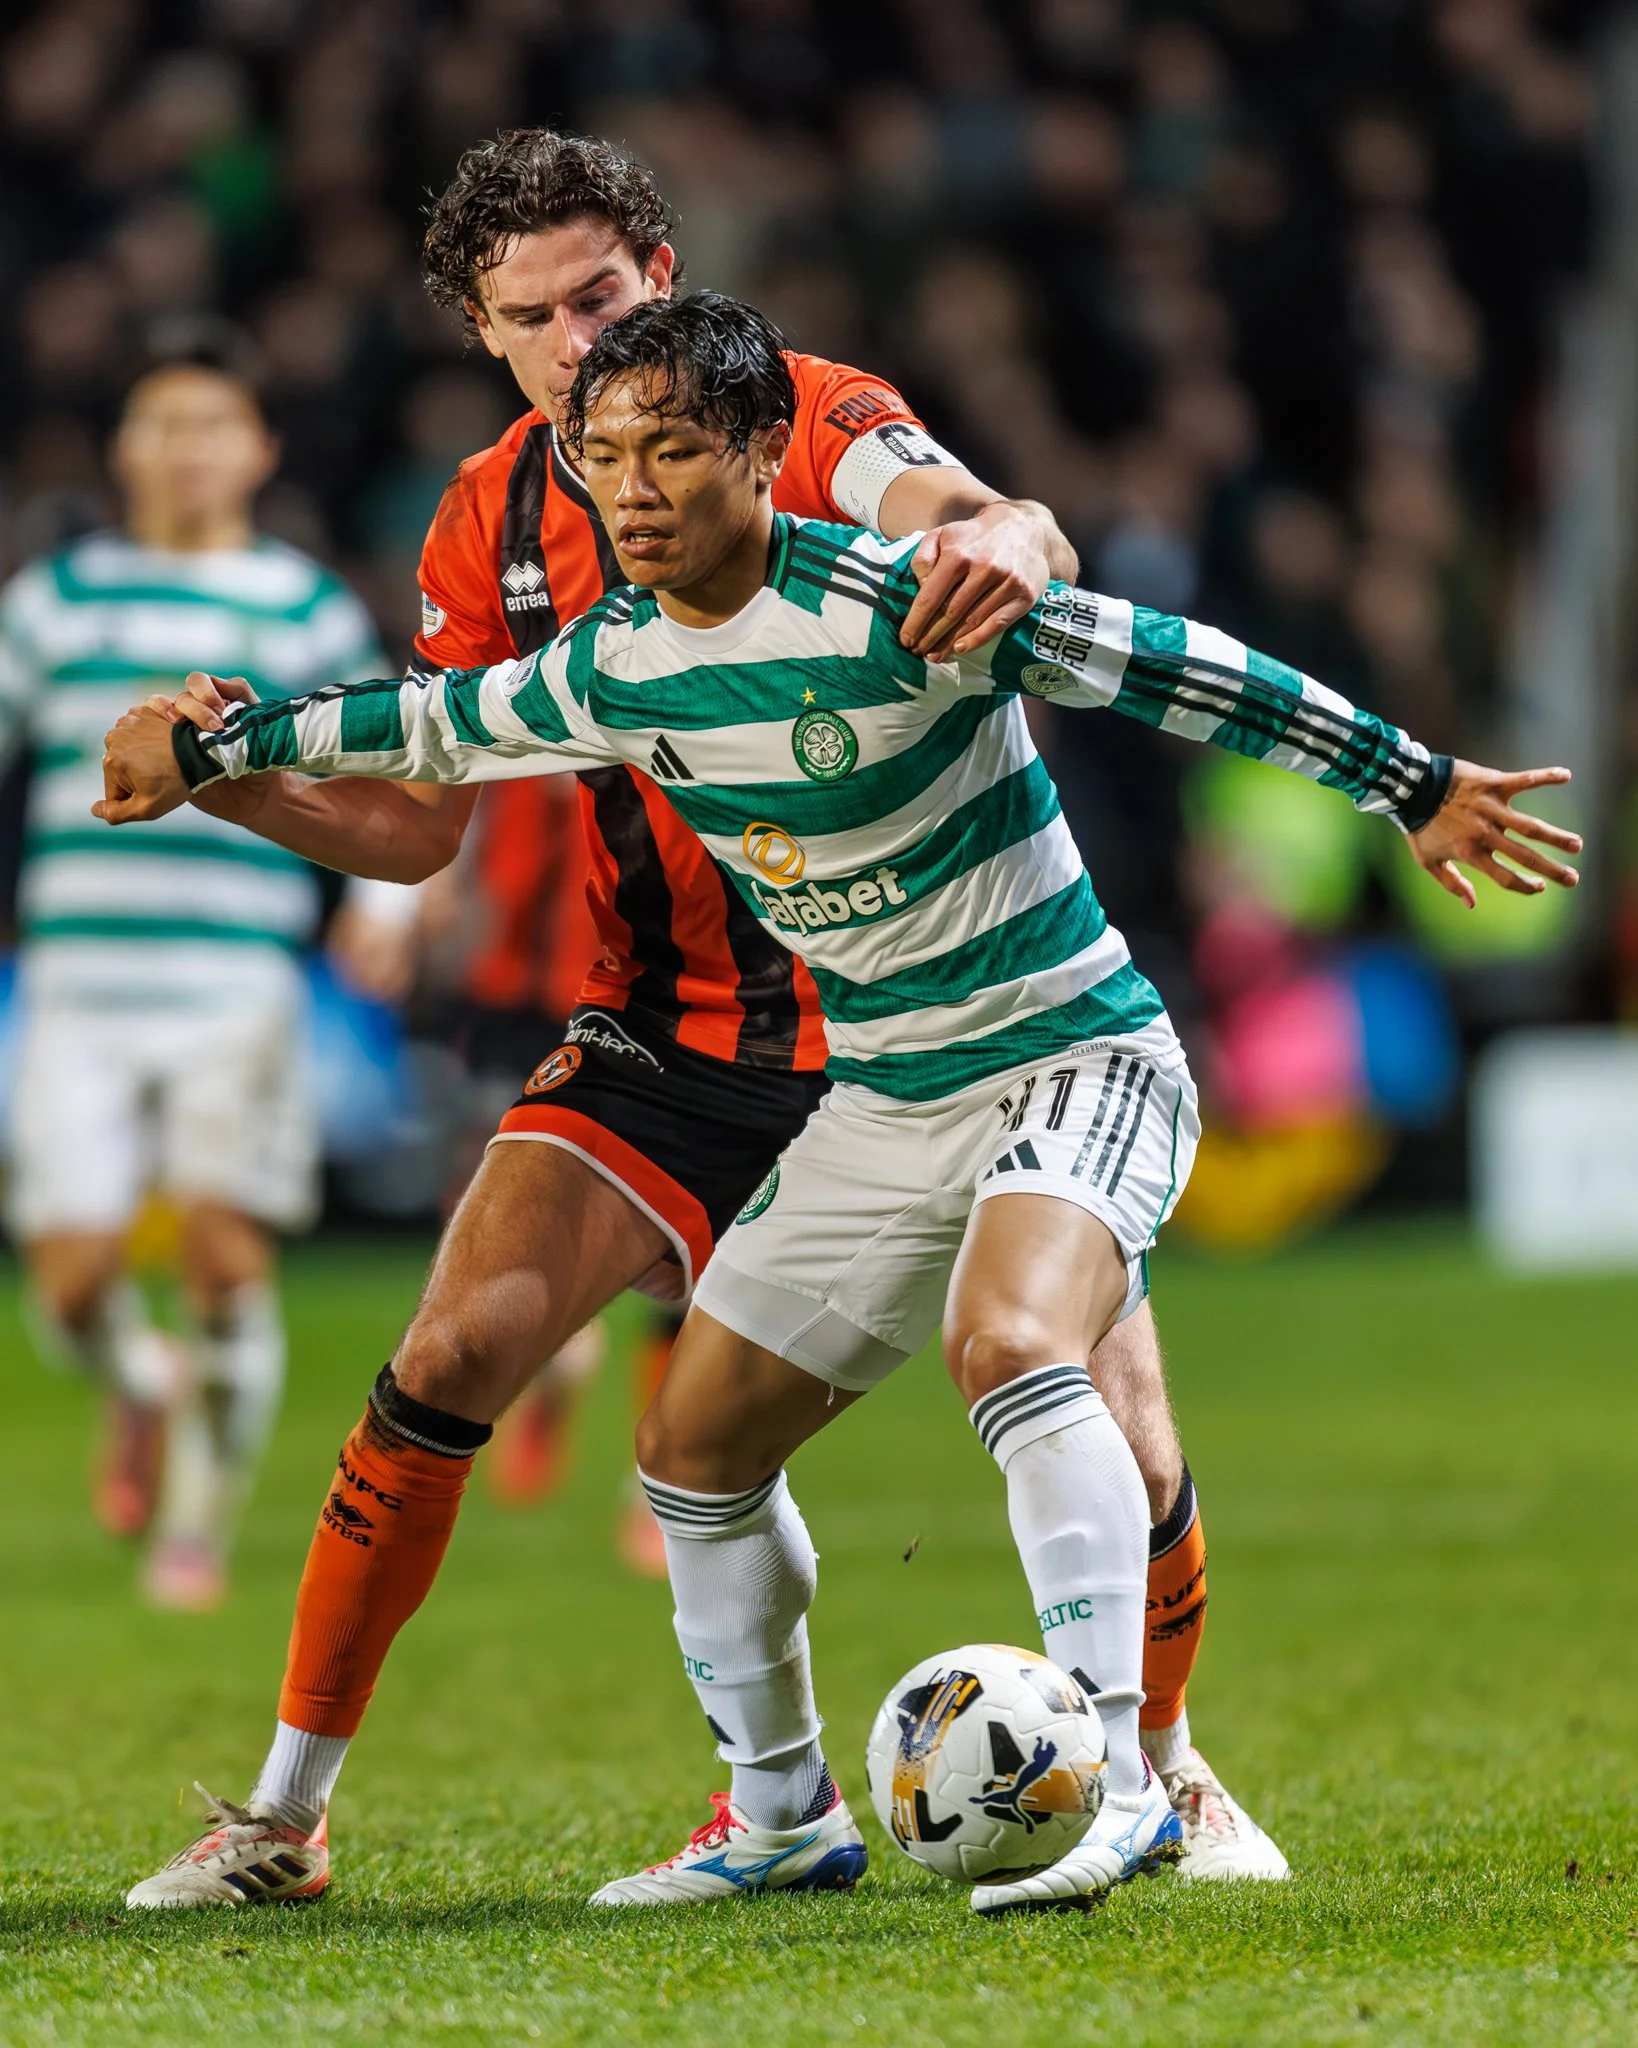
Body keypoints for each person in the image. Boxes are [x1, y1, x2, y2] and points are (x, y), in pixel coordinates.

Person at [101, 293, 1578, 1910]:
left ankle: (1126, 1778)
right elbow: (430, 729)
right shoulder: (614, 666)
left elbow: (1179, 668)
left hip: (1069, 1048)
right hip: (883, 1096)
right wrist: (219, 741)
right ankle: (780, 1812)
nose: (636, 490)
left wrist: (1412, 781)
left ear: (757, 452)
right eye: (604, 460)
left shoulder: (908, 605)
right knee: (690, 1444)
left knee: (1010, 1342)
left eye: (674, 448)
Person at [0, 343, 400, 1609]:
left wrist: (388, 900)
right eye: (160, 423)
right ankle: (142, 1381)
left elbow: (387, 756)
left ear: (258, 451)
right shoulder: (53, 598)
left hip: (239, 976)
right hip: (80, 974)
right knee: (66, 1282)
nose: (185, 448)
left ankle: (195, 1532)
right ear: (122, 449)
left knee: (228, 1256)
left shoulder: (301, 609)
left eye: (210, 424)